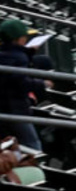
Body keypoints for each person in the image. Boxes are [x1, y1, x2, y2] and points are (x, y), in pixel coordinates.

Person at [0, 19, 45, 150]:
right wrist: (42, 84)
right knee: (33, 146)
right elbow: (20, 83)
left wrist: (28, 52)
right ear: (19, 39)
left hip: (5, 107)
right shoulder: (19, 57)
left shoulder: (7, 53)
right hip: (15, 108)